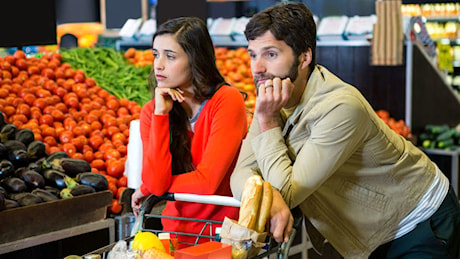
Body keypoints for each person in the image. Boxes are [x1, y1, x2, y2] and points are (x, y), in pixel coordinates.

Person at [230, 2, 460, 258]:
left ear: (304, 57)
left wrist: (268, 121)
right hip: (370, 232)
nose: (257, 68)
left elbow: (288, 193)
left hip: (419, 222)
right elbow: (240, 175)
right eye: (252, 54)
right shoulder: (274, 98)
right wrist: (269, 196)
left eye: (270, 54)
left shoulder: (340, 107)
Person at [131, 16, 248, 247]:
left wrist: (153, 188)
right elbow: (156, 184)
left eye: (170, 56)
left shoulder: (226, 100)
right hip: (174, 233)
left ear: (196, 60)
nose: (158, 65)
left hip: (221, 237)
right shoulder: (151, 112)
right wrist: (161, 115)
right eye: (156, 54)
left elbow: (207, 183)